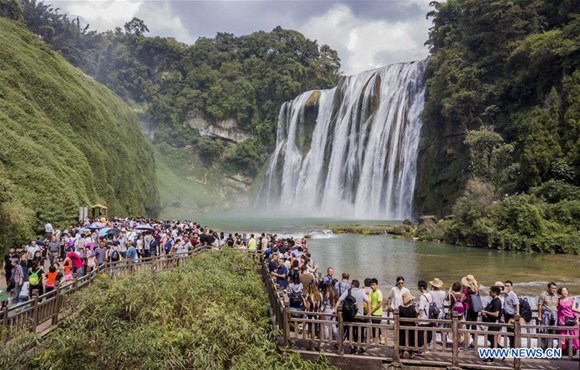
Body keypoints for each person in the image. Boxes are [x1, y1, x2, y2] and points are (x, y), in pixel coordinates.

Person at [335, 279, 370, 354]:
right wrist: (369, 313)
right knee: (359, 332)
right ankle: (358, 347)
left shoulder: (348, 291)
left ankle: (352, 347)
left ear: (353, 285)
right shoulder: (361, 291)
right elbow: (368, 301)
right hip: (359, 316)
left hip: (350, 316)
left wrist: (335, 310)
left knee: (350, 331)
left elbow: (339, 300)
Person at [481, 286, 502, 362]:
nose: (489, 293)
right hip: (491, 323)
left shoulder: (497, 301)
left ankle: (497, 353)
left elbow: (496, 314)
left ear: (495, 293)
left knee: (491, 339)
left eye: (491, 292)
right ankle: (492, 356)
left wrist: (486, 312)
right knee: (491, 339)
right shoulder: (493, 300)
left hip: (495, 323)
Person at [557, 287, 579, 355]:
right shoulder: (558, 300)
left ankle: (577, 349)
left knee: (575, 335)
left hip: (571, 319)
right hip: (562, 319)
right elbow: (558, 310)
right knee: (562, 335)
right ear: (561, 292)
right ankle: (562, 350)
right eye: (563, 291)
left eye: (566, 291)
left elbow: (574, 310)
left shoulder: (572, 300)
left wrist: (577, 319)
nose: (565, 292)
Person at [461, 274, 480, 348]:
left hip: (468, 309)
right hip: (475, 309)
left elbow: (462, 299)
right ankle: (474, 342)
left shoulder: (466, 290)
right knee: (474, 325)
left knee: (467, 326)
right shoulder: (477, 289)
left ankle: (466, 343)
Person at [538, 282, 559, 349]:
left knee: (552, 331)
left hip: (554, 316)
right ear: (549, 288)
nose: (554, 290)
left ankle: (551, 347)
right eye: (552, 288)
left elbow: (557, 306)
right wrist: (539, 316)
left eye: (555, 288)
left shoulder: (556, 296)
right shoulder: (543, 295)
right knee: (544, 331)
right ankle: (543, 348)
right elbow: (539, 305)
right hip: (545, 315)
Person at [399, 292, 418, 359]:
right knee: (411, 340)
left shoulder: (400, 308)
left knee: (402, 339)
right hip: (411, 326)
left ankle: (401, 352)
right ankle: (411, 353)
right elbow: (416, 315)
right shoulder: (412, 307)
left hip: (402, 326)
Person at [417, 280, 433, 350]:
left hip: (423, 319)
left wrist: (418, 318)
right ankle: (427, 348)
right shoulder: (429, 295)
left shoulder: (422, 297)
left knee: (421, 336)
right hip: (429, 318)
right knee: (427, 335)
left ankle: (421, 349)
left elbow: (421, 309)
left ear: (422, 288)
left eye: (419, 288)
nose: (418, 289)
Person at [503, 280, 519, 349]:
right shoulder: (505, 294)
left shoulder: (513, 294)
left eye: (508, 286)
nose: (506, 287)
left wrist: (517, 315)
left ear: (511, 287)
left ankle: (514, 347)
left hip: (511, 315)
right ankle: (511, 346)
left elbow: (517, 304)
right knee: (509, 331)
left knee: (512, 332)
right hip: (506, 315)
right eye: (505, 286)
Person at [369, 278, 384, 344]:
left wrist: (372, 310)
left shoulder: (379, 292)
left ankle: (377, 339)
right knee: (374, 326)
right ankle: (379, 338)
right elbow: (370, 300)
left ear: (376, 285)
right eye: (371, 285)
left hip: (378, 312)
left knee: (376, 326)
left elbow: (380, 303)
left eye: (373, 284)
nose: (372, 286)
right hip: (372, 312)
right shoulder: (371, 291)